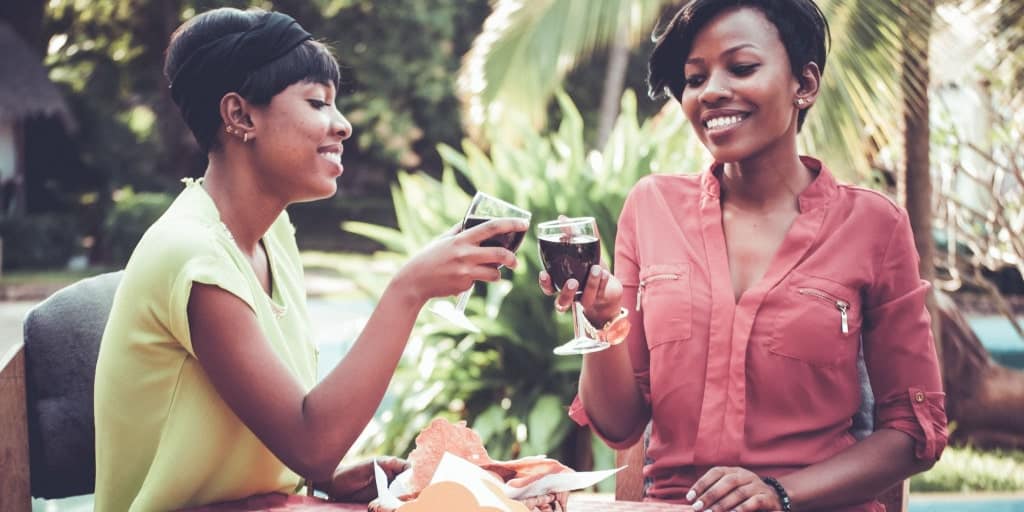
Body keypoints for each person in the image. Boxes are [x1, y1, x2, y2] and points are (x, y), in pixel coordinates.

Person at [93, 8, 526, 511]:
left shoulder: (272, 234)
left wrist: (332, 478)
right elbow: (311, 444)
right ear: (240, 116)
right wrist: (409, 291)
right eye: (317, 102)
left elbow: (289, 434)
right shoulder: (193, 257)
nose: (341, 125)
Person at [539, 1, 947, 510]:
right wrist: (599, 323)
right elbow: (619, 425)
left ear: (805, 84)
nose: (710, 92)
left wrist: (780, 494)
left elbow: (914, 431)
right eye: (694, 78)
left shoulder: (874, 226)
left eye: (742, 67)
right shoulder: (652, 206)